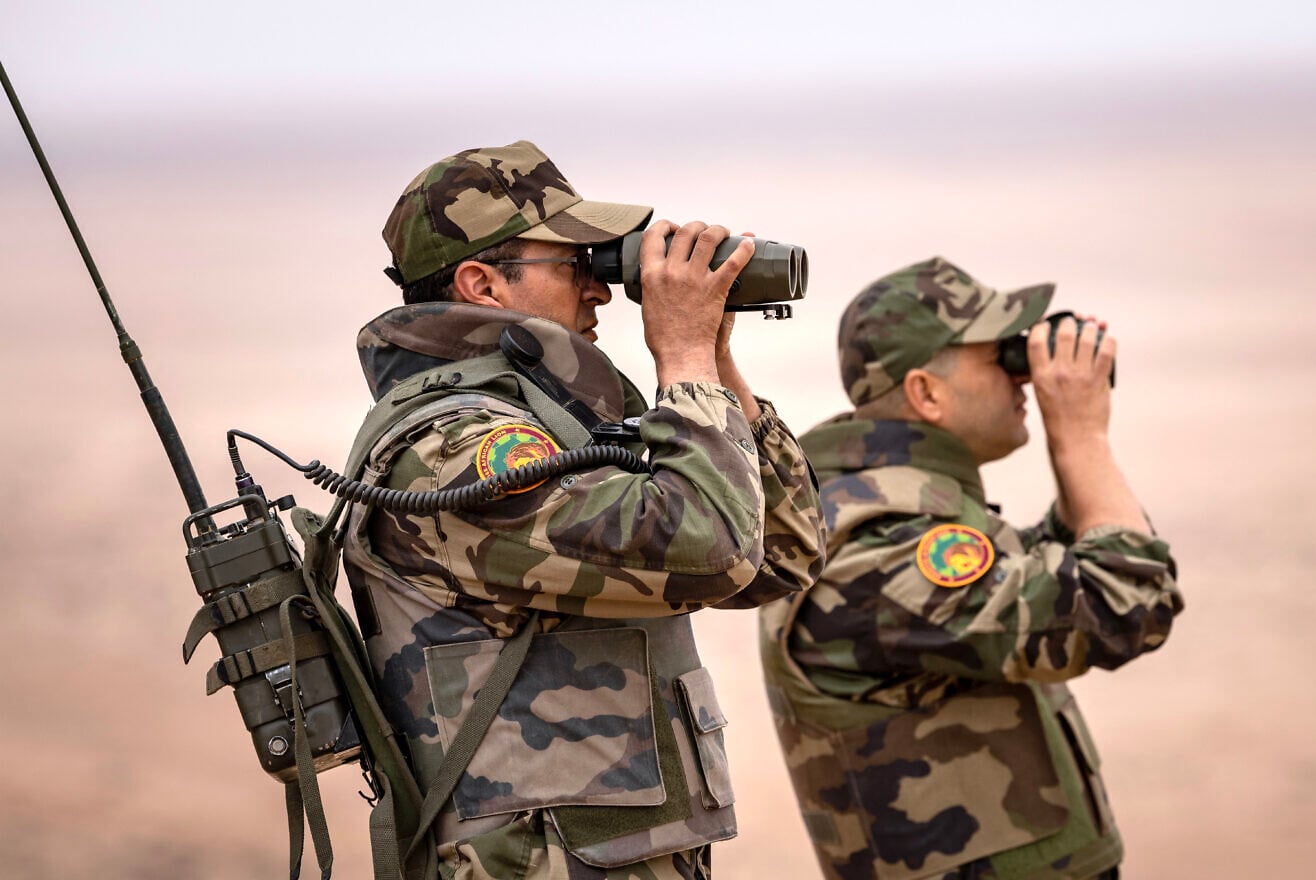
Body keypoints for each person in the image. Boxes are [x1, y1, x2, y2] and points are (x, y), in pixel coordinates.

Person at [340, 140, 825, 880]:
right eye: (575, 266)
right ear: (482, 283)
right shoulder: (456, 448)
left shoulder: (550, 424)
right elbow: (714, 549)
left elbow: (777, 558)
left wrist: (714, 359)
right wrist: (683, 359)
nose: (600, 290)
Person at [759, 257, 1182, 880]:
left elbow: (1039, 575)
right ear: (926, 392)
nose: (1024, 379)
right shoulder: (881, 544)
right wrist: (1081, 437)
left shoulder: (886, 502)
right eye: (1002, 358)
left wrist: (1073, 454)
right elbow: (1125, 606)